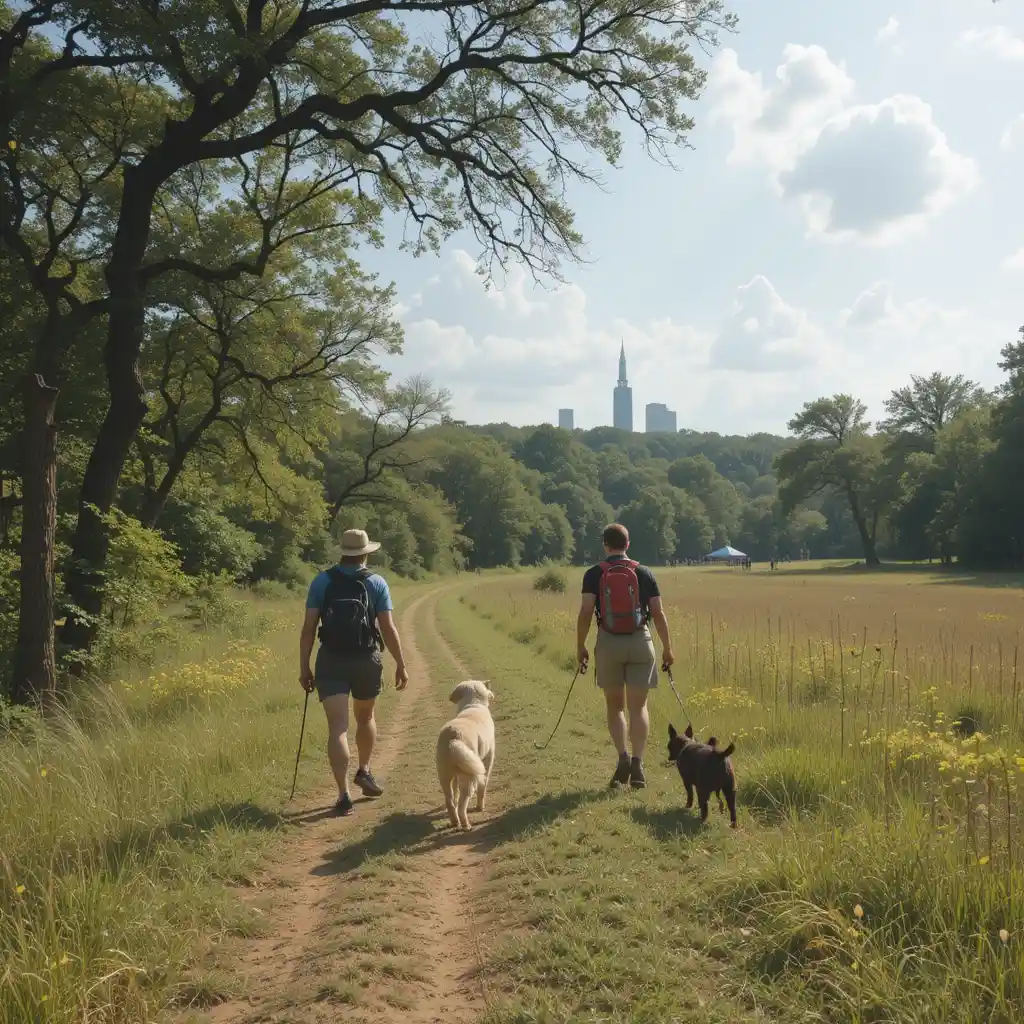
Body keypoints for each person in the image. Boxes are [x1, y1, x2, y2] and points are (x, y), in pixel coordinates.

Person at [299, 529, 409, 816]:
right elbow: (387, 627)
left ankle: (343, 794)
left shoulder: (322, 581)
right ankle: (364, 770)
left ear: (342, 551)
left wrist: (304, 667)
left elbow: (308, 629)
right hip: (365, 659)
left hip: (331, 660)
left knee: (338, 728)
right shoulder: (376, 582)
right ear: (366, 553)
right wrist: (401, 663)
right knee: (366, 717)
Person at [576, 523, 675, 789]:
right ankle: (638, 762)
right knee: (639, 707)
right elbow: (658, 613)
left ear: (605, 545)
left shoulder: (593, 574)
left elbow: (586, 611)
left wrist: (581, 646)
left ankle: (621, 756)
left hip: (608, 642)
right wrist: (667, 648)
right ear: (627, 544)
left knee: (615, 706)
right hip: (641, 641)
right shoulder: (644, 573)